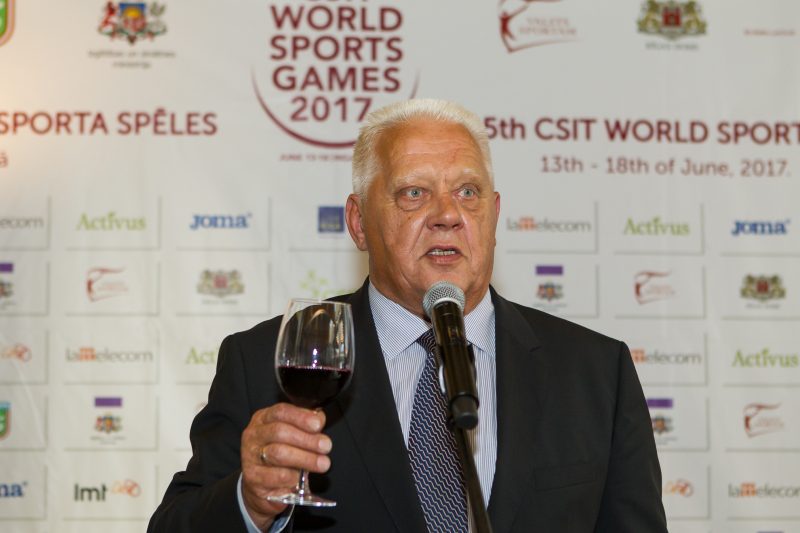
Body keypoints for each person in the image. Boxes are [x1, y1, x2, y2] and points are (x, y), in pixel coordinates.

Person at [148, 99, 668, 532]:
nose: (448, 215)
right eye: (413, 193)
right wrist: (251, 502)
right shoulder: (264, 361)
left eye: (468, 192)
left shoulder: (596, 372)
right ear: (358, 222)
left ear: (494, 214)